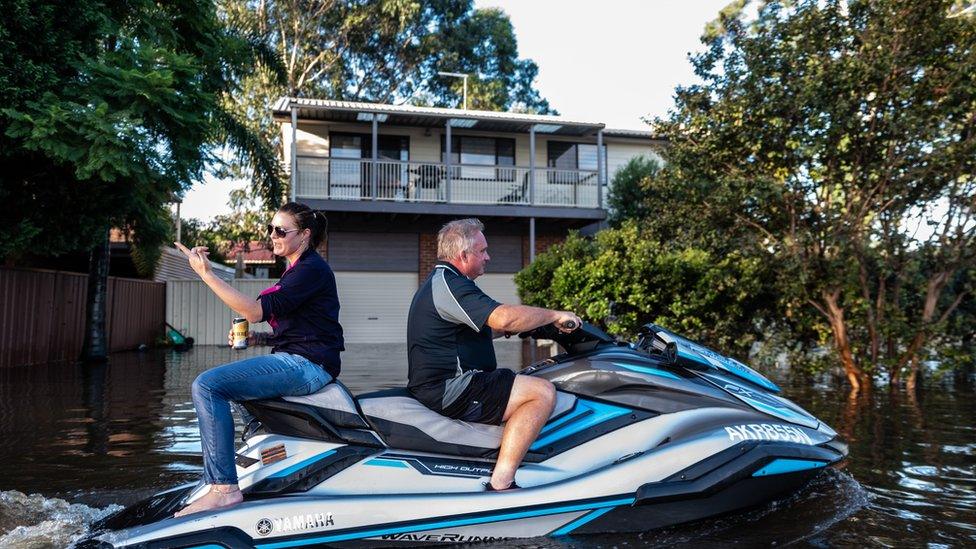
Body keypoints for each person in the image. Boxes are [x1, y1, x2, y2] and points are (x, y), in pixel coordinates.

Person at [172, 202, 343, 516]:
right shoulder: (295, 271)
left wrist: (207, 275)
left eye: (281, 230)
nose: (273, 236)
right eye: (271, 229)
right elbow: (298, 326)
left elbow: (254, 311)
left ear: (304, 235)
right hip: (302, 358)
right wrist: (256, 338)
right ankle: (261, 458)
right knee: (234, 389)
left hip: (309, 365)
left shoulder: (311, 270)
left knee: (208, 387)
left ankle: (224, 489)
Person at [407, 218, 580, 491]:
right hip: (450, 389)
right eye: (482, 251)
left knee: (525, 382)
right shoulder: (449, 284)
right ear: (464, 255)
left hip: (449, 385)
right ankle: (502, 483)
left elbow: (483, 329)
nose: (488, 256)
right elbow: (502, 319)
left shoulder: (448, 281)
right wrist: (554, 314)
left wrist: (530, 328)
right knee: (542, 392)